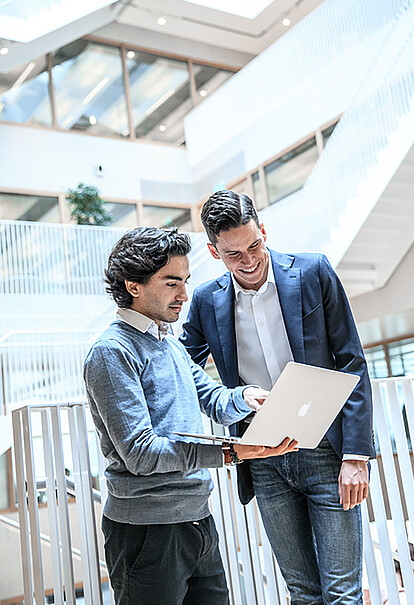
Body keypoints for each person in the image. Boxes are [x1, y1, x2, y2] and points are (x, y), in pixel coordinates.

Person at [180, 190, 376, 604]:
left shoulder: (312, 271)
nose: (248, 261)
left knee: (342, 593)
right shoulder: (205, 300)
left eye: (254, 245)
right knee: (302, 593)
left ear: (264, 230)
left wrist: (356, 455)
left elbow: (352, 362)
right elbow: (181, 364)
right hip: (262, 458)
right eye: (235, 255)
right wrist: (230, 396)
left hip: (325, 448)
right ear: (215, 252)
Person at [83, 226, 297, 605]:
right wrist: (232, 453)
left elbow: (212, 398)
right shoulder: (111, 352)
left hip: (197, 519)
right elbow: (142, 452)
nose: (184, 295)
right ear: (134, 285)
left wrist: (248, 397)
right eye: (171, 283)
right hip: (147, 530)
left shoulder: (169, 345)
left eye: (184, 281)